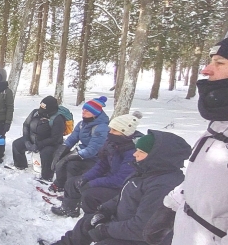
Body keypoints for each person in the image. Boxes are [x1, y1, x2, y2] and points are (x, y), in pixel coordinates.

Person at [148, 38, 228, 245]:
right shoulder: (219, 124)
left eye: (220, 63)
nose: (206, 71)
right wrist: (171, 205)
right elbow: (205, 179)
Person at [50, 130, 191, 245]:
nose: (135, 154)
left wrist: (105, 230)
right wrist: (104, 210)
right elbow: (124, 195)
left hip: (143, 239)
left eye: (141, 152)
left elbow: (142, 228)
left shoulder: (164, 185)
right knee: (86, 223)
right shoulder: (145, 171)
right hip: (124, 223)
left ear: (158, 156)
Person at [51, 111, 142, 218]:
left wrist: (93, 183)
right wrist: (86, 178)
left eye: (114, 130)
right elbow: (102, 164)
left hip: (122, 187)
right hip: (109, 177)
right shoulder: (112, 143)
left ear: (124, 132)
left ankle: (92, 218)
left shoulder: (133, 152)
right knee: (72, 182)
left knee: (89, 193)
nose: (110, 132)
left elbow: (121, 179)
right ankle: (69, 209)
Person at [49, 96, 110, 193]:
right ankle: (60, 183)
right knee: (61, 157)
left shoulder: (101, 128)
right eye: (83, 109)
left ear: (95, 114)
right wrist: (63, 149)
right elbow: (72, 138)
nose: (83, 112)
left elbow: (92, 150)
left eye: (87, 111)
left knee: (72, 165)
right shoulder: (82, 123)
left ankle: (71, 190)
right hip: (83, 152)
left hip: (97, 157)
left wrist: (71, 156)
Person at [11, 96, 64, 180]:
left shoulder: (58, 118)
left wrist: (39, 145)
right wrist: (27, 141)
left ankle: (46, 176)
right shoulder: (35, 112)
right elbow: (26, 125)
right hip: (32, 139)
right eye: (41, 106)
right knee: (17, 144)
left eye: (44, 107)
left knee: (46, 153)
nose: (41, 108)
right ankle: (20, 165)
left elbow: (55, 138)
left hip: (49, 143)